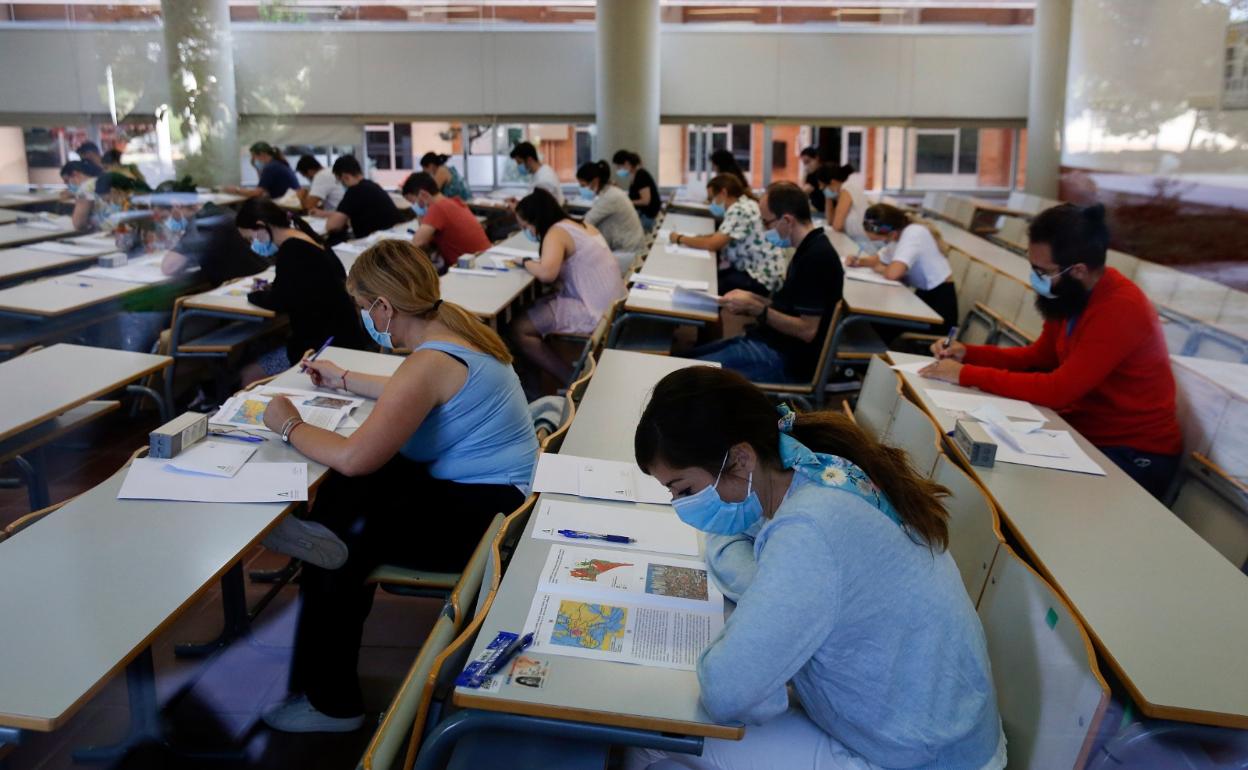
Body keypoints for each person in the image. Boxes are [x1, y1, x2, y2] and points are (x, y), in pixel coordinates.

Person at [625, 367, 1005, 770]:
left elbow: (726, 690)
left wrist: (768, 608)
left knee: (653, 743)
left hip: (919, 757)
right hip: (927, 730)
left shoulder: (810, 529)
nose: (682, 506)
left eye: (684, 490)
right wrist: (769, 594)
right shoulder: (803, 465)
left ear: (739, 458)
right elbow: (730, 540)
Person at [257, 239, 538, 733]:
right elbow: (409, 391)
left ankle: (333, 705)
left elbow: (354, 455)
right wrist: (343, 379)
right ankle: (318, 531)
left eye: (365, 308)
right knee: (355, 498)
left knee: (346, 532)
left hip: (485, 521)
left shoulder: (427, 362)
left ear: (385, 306)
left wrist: (288, 424)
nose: (364, 317)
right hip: (498, 496)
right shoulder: (453, 324)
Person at [921, 203, 1182, 499]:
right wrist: (967, 353)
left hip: (1133, 454)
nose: (1034, 278)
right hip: (1085, 433)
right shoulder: (1072, 295)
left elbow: (1058, 389)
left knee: (1021, 495)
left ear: (1079, 270)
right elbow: (1038, 358)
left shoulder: (1121, 308)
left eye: (1041, 271)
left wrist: (965, 374)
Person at [688, 182, 844, 384]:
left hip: (785, 359)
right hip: (771, 343)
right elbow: (790, 308)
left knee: (686, 375)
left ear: (787, 220)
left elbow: (807, 330)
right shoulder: (808, 247)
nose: (763, 229)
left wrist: (757, 308)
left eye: (766, 222)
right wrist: (754, 300)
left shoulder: (816, 257)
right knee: (685, 360)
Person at [234, 198, 371, 385]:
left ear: (261, 226)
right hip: (344, 340)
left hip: (321, 350)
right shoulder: (310, 239)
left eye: (251, 238)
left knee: (248, 374)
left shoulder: (291, 251)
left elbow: (279, 300)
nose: (253, 244)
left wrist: (254, 294)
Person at [510, 188, 625, 384]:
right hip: (612, 307)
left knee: (519, 328)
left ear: (536, 220)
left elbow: (547, 274)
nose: (527, 232)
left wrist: (525, 261)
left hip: (593, 311)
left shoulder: (556, 232)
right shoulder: (581, 225)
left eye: (526, 226)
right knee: (533, 305)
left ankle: (571, 380)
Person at [667, 174, 785, 296]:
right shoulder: (745, 204)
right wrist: (696, 238)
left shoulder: (740, 209)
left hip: (760, 279)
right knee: (713, 278)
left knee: (708, 288)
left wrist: (680, 238)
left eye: (712, 198)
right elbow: (719, 235)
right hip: (759, 273)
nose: (711, 203)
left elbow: (712, 244)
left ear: (723, 193)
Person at [853, 203, 959, 333]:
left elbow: (893, 274)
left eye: (882, 240)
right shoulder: (897, 234)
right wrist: (858, 261)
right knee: (876, 321)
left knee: (879, 324)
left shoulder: (913, 233)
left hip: (939, 306)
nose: (883, 243)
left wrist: (880, 268)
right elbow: (879, 258)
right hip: (924, 297)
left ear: (892, 234)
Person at [160, 199, 268, 286]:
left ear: (177, 206)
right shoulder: (217, 211)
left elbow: (169, 267)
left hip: (247, 288)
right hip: (259, 279)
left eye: (165, 217)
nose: (166, 224)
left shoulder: (202, 223)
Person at [400, 171, 490, 269]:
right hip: (483, 259)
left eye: (414, 202)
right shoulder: (453, 202)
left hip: (469, 267)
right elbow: (428, 238)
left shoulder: (437, 208)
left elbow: (417, 243)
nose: (415, 206)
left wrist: (420, 214)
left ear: (423, 195)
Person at [324, 155, 405, 240]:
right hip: (393, 237)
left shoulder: (354, 191)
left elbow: (332, 226)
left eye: (340, 181)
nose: (341, 184)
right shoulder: (371, 185)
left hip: (377, 242)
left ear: (345, 177)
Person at [575, 160, 646, 254]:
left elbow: (587, 221)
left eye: (583, 185)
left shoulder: (611, 197)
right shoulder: (610, 192)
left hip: (628, 251)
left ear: (595, 181)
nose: (582, 189)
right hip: (628, 247)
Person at [809, 164, 870, 243]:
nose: (821, 189)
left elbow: (837, 226)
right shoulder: (842, 190)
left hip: (862, 241)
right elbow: (830, 221)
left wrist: (828, 193)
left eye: (823, 186)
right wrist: (828, 196)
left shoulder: (847, 189)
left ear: (833, 182)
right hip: (854, 239)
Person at [225, 142, 301, 200]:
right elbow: (263, 188)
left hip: (286, 204)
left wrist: (236, 190)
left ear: (261, 154)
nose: (253, 160)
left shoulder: (270, 167)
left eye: (253, 156)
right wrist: (257, 168)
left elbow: (257, 193)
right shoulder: (279, 163)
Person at [612, 150, 661, 231]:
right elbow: (634, 195)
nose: (617, 170)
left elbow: (645, 201)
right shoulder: (634, 175)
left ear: (627, 163)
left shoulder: (641, 175)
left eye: (618, 166)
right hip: (642, 214)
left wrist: (627, 201)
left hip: (647, 216)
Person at [509, 141, 564, 205]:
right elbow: (533, 203)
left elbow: (537, 210)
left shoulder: (543, 181)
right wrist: (519, 203)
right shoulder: (542, 170)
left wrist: (515, 207)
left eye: (519, 163)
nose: (518, 166)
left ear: (529, 160)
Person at [60, 160, 100, 229]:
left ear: (75, 174)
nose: (67, 185)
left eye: (67, 181)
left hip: (102, 233)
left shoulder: (85, 188)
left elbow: (78, 224)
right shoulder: (99, 180)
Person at [799, 146, 823, 213]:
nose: (807, 165)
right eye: (804, 163)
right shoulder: (810, 174)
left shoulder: (823, 173)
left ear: (817, 158)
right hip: (816, 209)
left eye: (808, 161)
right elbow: (802, 191)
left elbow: (803, 192)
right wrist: (805, 174)